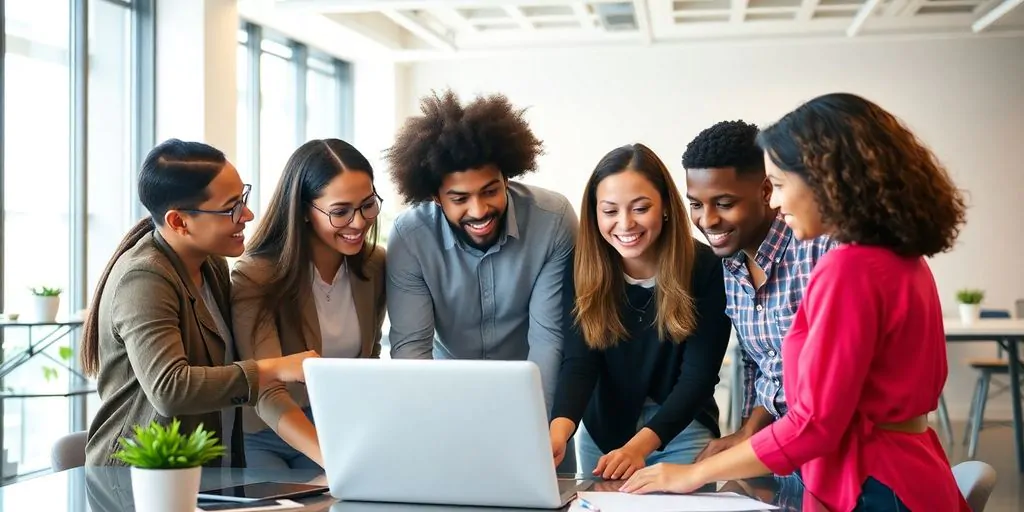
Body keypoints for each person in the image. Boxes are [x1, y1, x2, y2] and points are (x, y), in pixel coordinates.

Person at [621, 93, 970, 511]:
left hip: (870, 480)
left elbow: (815, 424)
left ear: (826, 180)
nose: (776, 201)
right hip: (899, 472)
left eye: (782, 185)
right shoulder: (897, 257)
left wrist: (691, 474)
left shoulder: (849, 267)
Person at [81, 139, 316, 467]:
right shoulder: (145, 277)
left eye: (243, 199)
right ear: (178, 222)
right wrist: (275, 368)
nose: (247, 214)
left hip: (201, 474)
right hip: (142, 480)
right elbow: (170, 389)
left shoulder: (212, 265)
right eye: (231, 207)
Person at [384, 90, 578, 470]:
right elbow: (411, 350)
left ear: (507, 177)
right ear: (436, 198)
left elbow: (548, 336)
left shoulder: (552, 219)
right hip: (448, 408)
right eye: (460, 198)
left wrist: (536, 431)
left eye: (490, 191)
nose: (479, 210)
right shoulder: (410, 236)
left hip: (536, 402)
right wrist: (427, 428)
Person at [548, 143, 732, 481]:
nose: (625, 223)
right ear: (595, 214)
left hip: (680, 431)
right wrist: (559, 431)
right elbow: (579, 363)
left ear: (664, 206)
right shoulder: (581, 267)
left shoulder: (705, 267)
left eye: (640, 207)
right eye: (610, 210)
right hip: (603, 432)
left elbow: (698, 378)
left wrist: (639, 448)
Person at [681, 120, 836, 461]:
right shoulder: (729, 264)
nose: (707, 220)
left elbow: (828, 389)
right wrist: (747, 434)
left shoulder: (820, 249)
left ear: (767, 191)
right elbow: (762, 363)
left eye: (723, 203)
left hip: (825, 448)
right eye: (696, 204)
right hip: (773, 448)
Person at [231, 139, 387, 469]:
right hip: (266, 434)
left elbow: (369, 359)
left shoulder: (375, 266)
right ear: (304, 210)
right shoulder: (255, 276)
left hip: (338, 428)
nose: (358, 223)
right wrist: (333, 459)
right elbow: (267, 390)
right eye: (340, 211)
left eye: (368, 205)